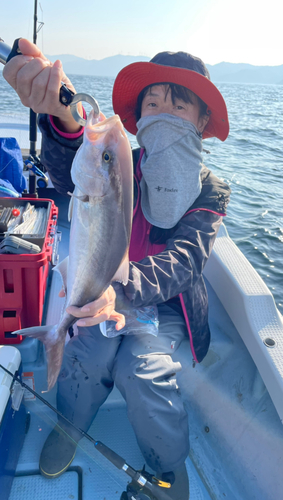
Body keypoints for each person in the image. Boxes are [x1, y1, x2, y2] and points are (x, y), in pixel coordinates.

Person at [4, 39, 231, 500]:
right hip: (100, 292)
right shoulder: (125, 161)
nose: (163, 112)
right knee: (85, 358)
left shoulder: (210, 190)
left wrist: (122, 285)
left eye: (179, 103)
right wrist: (63, 117)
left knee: (141, 371)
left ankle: (167, 469)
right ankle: (70, 426)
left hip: (164, 307)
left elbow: (185, 262)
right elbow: (71, 173)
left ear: (202, 121)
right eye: (153, 101)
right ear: (138, 116)